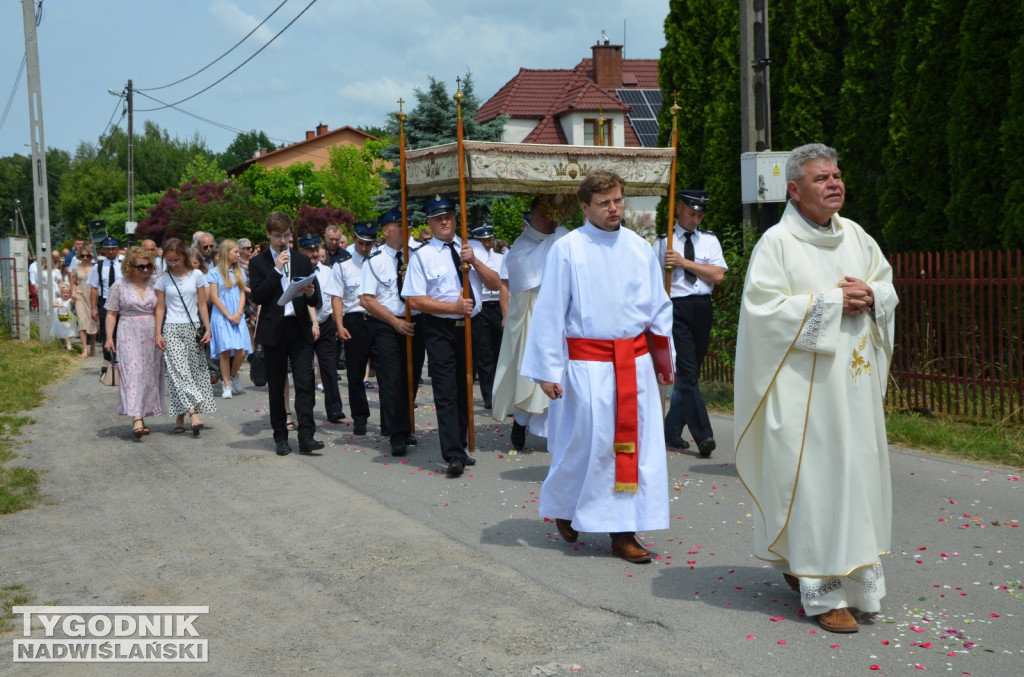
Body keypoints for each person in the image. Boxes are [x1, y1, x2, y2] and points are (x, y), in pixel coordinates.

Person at [734, 143, 898, 634]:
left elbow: (885, 285)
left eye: (837, 175)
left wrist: (872, 296)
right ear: (793, 190)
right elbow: (761, 313)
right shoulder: (778, 243)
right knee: (817, 485)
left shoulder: (857, 235)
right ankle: (824, 592)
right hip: (804, 393)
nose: (834, 183)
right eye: (821, 178)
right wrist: (829, 302)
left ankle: (856, 580)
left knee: (856, 480)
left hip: (853, 388)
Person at [520, 170, 674, 564]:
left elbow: (659, 308)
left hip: (634, 365)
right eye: (604, 203)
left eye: (619, 200)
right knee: (588, 446)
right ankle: (568, 506)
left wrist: (662, 359)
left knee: (633, 450)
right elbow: (551, 310)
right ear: (585, 207)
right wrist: (547, 370)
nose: (614, 209)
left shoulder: (639, 248)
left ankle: (624, 533)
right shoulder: (569, 248)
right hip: (588, 366)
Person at [402, 195, 500, 477]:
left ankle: (461, 442)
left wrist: (476, 262)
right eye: (437, 218)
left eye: (448, 217)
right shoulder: (423, 256)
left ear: (455, 219)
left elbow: (495, 283)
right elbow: (415, 300)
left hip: (472, 326)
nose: (444, 222)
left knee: (464, 387)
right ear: (430, 223)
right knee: (445, 391)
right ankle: (453, 454)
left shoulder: (470, 248)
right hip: (440, 329)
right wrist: (452, 307)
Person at [652, 190, 727, 457]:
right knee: (688, 372)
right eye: (691, 213)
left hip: (702, 307)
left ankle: (671, 429)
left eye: (700, 215)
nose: (696, 220)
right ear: (680, 209)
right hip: (676, 307)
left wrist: (684, 262)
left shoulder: (709, 241)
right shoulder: (663, 242)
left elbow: (717, 275)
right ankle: (704, 435)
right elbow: (654, 282)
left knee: (688, 375)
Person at [491, 198, 569, 450]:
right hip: (532, 316)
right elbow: (522, 277)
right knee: (533, 375)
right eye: (542, 213)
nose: (549, 218)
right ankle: (521, 422)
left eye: (552, 213)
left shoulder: (565, 238)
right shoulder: (521, 245)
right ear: (531, 215)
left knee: (564, 372)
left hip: (564, 315)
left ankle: (560, 431)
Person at [249, 211, 324, 456]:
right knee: (277, 386)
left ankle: (306, 437)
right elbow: (259, 296)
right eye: (279, 236)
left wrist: (310, 291)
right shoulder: (258, 262)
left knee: (305, 383)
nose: (284, 241)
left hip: (299, 327)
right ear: (269, 235)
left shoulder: (302, 260)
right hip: (274, 330)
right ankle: (281, 437)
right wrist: (277, 269)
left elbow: (317, 299)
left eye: (287, 236)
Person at [360, 214, 415, 456]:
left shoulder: (418, 255)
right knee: (392, 380)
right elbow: (367, 300)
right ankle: (396, 433)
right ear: (386, 230)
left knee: (411, 377)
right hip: (387, 325)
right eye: (399, 224)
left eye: (408, 224)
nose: (406, 228)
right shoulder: (375, 260)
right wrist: (394, 322)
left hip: (415, 322)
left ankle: (406, 425)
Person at [155, 238, 217, 436]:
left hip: (193, 328)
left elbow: (201, 304)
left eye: (176, 260)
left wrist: (207, 329)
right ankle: (193, 414)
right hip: (171, 328)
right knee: (178, 371)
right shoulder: (163, 279)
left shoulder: (197, 275)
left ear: (184, 256)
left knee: (188, 373)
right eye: (169, 261)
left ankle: (179, 416)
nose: (173, 264)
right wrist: (158, 333)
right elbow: (160, 308)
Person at [104, 246, 166, 438]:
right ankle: (136, 418)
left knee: (148, 375)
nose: (146, 270)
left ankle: (142, 413)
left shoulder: (155, 284)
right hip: (128, 331)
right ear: (131, 266)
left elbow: (160, 310)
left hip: (151, 332)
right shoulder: (120, 285)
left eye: (148, 266)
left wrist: (159, 334)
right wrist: (108, 337)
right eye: (141, 267)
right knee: (134, 372)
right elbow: (112, 313)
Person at [328, 222, 376, 435]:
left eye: (368, 243)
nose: (364, 248)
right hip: (354, 320)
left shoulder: (380, 262)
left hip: (379, 319)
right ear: (354, 240)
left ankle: (392, 420)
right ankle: (360, 417)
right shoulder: (342, 265)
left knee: (387, 373)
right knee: (355, 373)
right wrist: (339, 325)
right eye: (360, 243)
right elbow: (337, 298)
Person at [300, 234, 345, 423]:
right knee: (305, 372)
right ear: (301, 251)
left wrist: (337, 324)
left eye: (316, 249)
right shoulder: (296, 272)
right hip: (303, 326)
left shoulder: (328, 271)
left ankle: (334, 409)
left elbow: (333, 298)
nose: (314, 253)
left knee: (329, 368)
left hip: (325, 323)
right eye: (309, 250)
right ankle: (306, 410)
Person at [207, 239, 252, 399]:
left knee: (241, 350)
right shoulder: (213, 272)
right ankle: (226, 384)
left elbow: (241, 293)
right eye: (236, 252)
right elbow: (214, 296)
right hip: (221, 316)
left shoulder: (238, 271)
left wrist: (239, 313)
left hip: (237, 315)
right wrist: (227, 315)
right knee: (224, 351)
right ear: (227, 253)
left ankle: (233, 376)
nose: (238, 255)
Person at [468, 222, 504, 410]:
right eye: (482, 240)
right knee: (484, 354)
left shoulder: (500, 257)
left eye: (489, 240)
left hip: (497, 305)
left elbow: (505, 284)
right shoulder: (472, 256)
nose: (487, 244)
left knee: (500, 351)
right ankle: (488, 394)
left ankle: (500, 392)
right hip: (482, 307)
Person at [88, 237, 124, 369]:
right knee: (106, 332)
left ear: (117, 249)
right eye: (108, 249)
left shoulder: (123, 264)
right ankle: (108, 361)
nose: (111, 251)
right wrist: (93, 308)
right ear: (103, 250)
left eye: (113, 249)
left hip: (121, 302)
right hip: (105, 301)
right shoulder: (98, 266)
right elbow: (94, 287)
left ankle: (121, 359)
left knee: (121, 331)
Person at [70, 245, 98, 358]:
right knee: (82, 321)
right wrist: (73, 291)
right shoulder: (76, 268)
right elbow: (73, 281)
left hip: (92, 295)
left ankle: (92, 345)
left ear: (91, 256)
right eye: (82, 256)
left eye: (87, 256)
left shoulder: (95, 267)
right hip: (80, 294)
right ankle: (85, 348)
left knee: (92, 321)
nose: (85, 258)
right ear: (79, 256)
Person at [51, 283, 78, 351]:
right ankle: (62, 345)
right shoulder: (59, 299)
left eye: (68, 293)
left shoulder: (69, 300)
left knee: (68, 331)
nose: (66, 294)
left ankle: (69, 345)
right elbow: (53, 305)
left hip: (68, 317)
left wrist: (74, 299)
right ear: (61, 293)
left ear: (70, 294)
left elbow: (73, 302)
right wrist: (58, 305)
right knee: (61, 332)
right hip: (60, 318)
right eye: (64, 293)